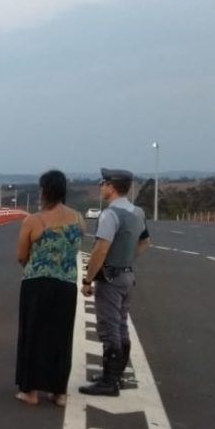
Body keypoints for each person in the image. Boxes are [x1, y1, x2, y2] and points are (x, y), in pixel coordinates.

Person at [14, 170, 84, 406]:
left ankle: (30, 390)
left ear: (44, 191)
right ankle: (59, 392)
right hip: (66, 285)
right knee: (60, 337)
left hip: (37, 284)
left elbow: (21, 255)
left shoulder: (34, 220)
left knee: (33, 335)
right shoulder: (78, 218)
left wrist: (34, 263)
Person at [78, 167, 151, 397]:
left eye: (103, 183)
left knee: (109, 328)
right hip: (128, 275)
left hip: (110, 277)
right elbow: (145, 242)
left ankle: (109, 381)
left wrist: (88, 278)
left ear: (111, 186)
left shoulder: (110, 215)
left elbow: (100, 249)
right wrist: (127, 259)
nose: (101, 187)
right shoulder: (137, 212)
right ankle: (116, 375)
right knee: (120, 326)